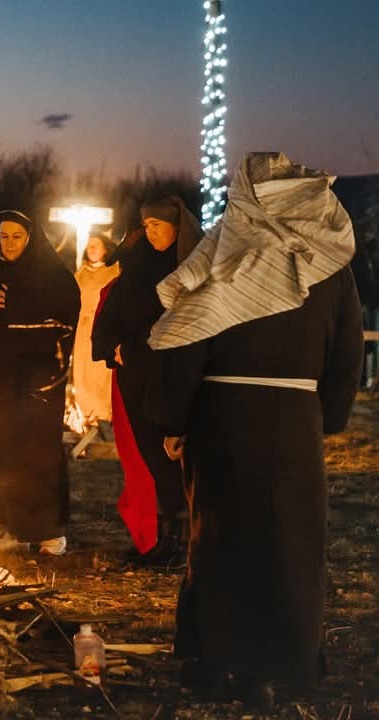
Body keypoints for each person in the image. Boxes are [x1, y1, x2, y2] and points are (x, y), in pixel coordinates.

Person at [148, 153, 363, 709]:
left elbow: (187, 339)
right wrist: (327, 418)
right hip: (295, 423)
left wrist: (175, 419)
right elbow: (346, 353)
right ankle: (282, 666)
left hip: (226, 419)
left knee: (224, 541)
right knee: (289, 542)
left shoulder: (225, 253)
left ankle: (222, 665)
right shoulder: (330, 265)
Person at [0, 210, 80, 556]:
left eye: (17, 237)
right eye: (3, 236)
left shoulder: (56, 278)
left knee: (38, 452)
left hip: (39, 381)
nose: (9, 244)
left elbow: (67, 329)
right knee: (2, 453)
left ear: (31, 238)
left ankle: (50, 532)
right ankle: (18, 528)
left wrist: (52, 375)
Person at [91, 196, 200, 563]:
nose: (149, 231)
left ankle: (183, 542)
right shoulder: (136, 265)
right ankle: (162, 542)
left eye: (157, 225)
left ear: (177, 227)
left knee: (170, 460)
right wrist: (112, 347)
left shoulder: (186, 269)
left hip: (167, 377)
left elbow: (177, 324)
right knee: (149, 459)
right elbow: (111, 312)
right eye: (147, 225)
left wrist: (133, 349)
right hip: (133, 376)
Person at [72, 234, 120, 423]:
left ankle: (103, 412)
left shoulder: (113, 272)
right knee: (83, 370)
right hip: (83, 330)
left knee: (100, 370)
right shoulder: (81, 273)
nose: (91, 249)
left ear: (105, 249)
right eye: (89, 246)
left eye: (96, 246)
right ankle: (85, 411)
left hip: (102, 328)